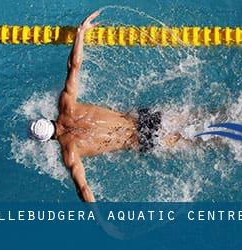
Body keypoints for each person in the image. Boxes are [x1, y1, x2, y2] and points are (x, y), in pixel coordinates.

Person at [29, 11, 181, 202]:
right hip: (143, 118)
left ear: (47, 140)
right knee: (197, 118)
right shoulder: (66, 105)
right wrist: (80, 33)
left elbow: (83, 189)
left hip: (142, 140)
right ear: (47, 119)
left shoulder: (70, 152)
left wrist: (100, 221)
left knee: (199, 141)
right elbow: (74, 66)